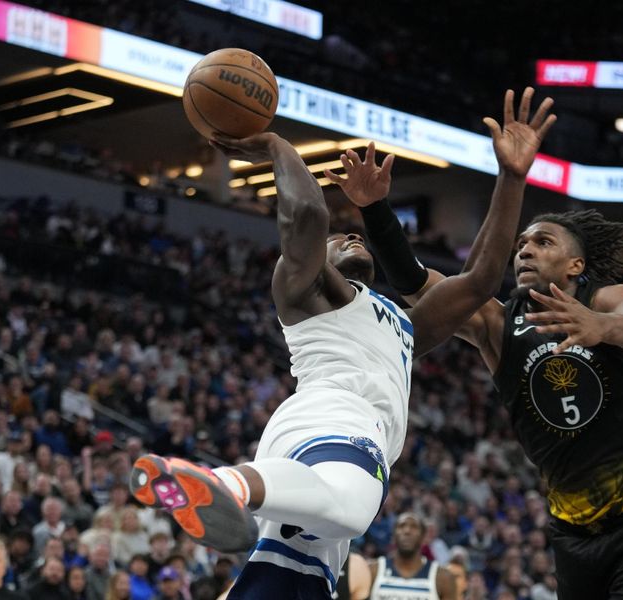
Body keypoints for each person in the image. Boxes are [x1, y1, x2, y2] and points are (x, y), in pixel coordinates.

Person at [129, 88, 555, 599]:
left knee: (297, 581)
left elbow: (482, 279)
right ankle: (227, 485)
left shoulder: (401, 324)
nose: (353, 239)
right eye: (340, 241)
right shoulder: (308, 292)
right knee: (352, 508)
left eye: (357, 237)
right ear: (318, 261)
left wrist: (511, 176)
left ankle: (229, 491)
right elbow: (308, 217)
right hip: (335, 419)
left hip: (309, 445)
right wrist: (275, 146)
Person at [362, 92, 623, 600]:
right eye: (522, 245)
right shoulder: (498, 322)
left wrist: (600, 326)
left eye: (544, 242)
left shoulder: (608, 297)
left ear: (576, 266)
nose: (526, 249)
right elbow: (418, 284)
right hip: (572, 529)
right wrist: (375, 211)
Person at [368, 513, 456, 599]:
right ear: (394, 536)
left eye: (414, 527)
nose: (407, 531)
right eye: (401, 526)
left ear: (423, 537)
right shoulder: (373, 571)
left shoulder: (443, 577)